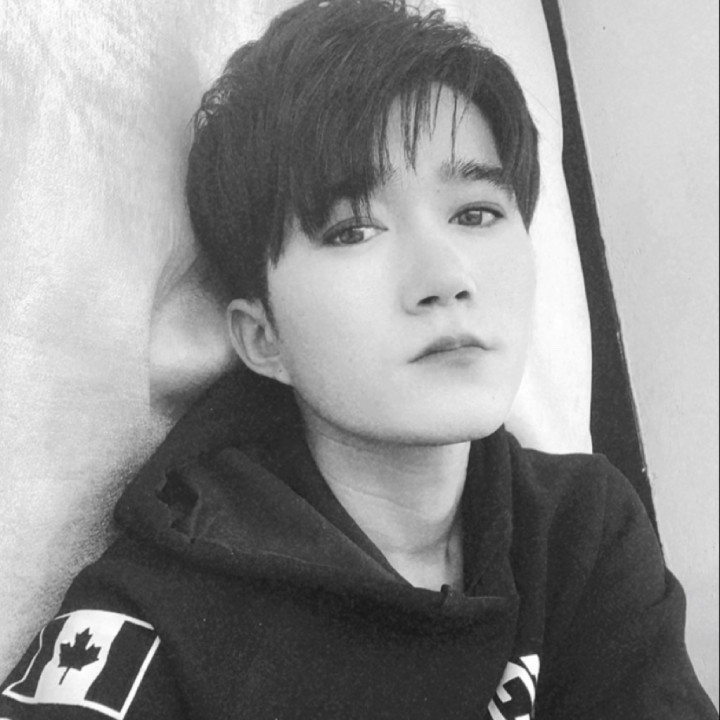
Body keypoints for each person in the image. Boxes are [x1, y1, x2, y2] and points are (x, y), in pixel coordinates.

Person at [1, 1, 715, 718]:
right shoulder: (164, 612)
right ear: (263, 338)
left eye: (475, 214)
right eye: (353, 231)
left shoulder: (581, 534)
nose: (446, 276)